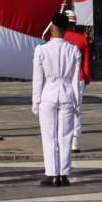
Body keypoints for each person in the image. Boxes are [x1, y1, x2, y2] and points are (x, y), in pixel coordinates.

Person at [32, 12, 81, 187]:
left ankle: (53, 174)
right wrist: (77, 103)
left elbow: (38, 79)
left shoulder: (41, 49)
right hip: (67, 93)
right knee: (65, 136)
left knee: (49, 136)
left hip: (48, 94)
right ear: (67, 29)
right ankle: (64, 174)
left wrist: (35, 102)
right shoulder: (73, 49)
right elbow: (76, 80)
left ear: (52, 28)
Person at [62, 10, 90, 154]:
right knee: (76, 109)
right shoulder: (82, 38)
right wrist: (86, 78)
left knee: (60, 110)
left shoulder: (56, 38)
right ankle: (75, 142)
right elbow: (85, 63)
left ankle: (62, 140)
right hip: (78, 78)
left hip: (61, 78)